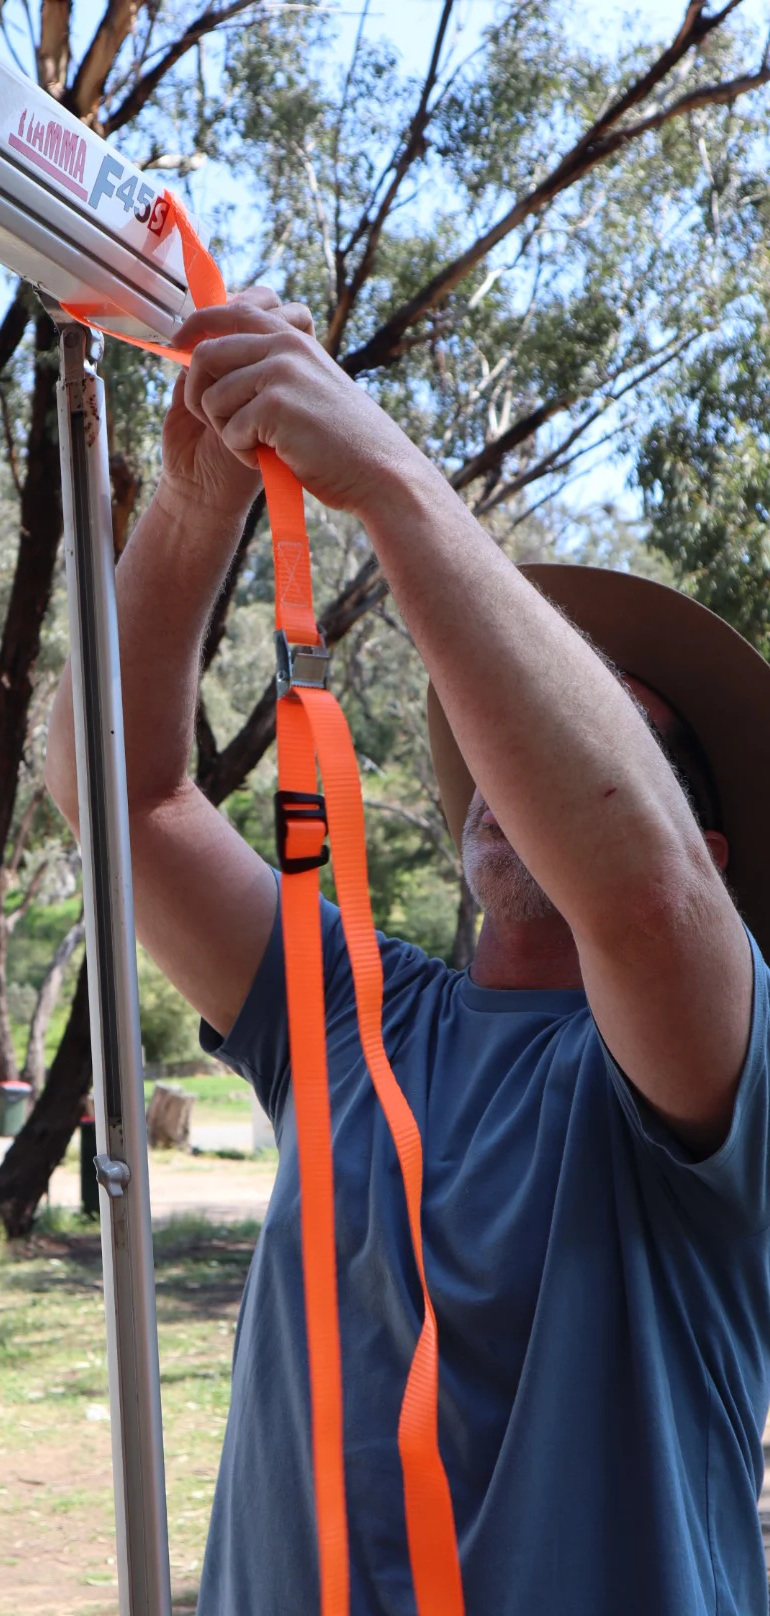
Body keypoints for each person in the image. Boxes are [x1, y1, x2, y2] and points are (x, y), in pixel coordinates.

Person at [44, 290, 770, 1615]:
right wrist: (196, 506)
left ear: (715, 850)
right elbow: (119, 800)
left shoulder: (715, 1056)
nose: (520, 756)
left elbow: (644, 897)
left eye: (603, 728)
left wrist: (384, 474)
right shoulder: (351, 1014)